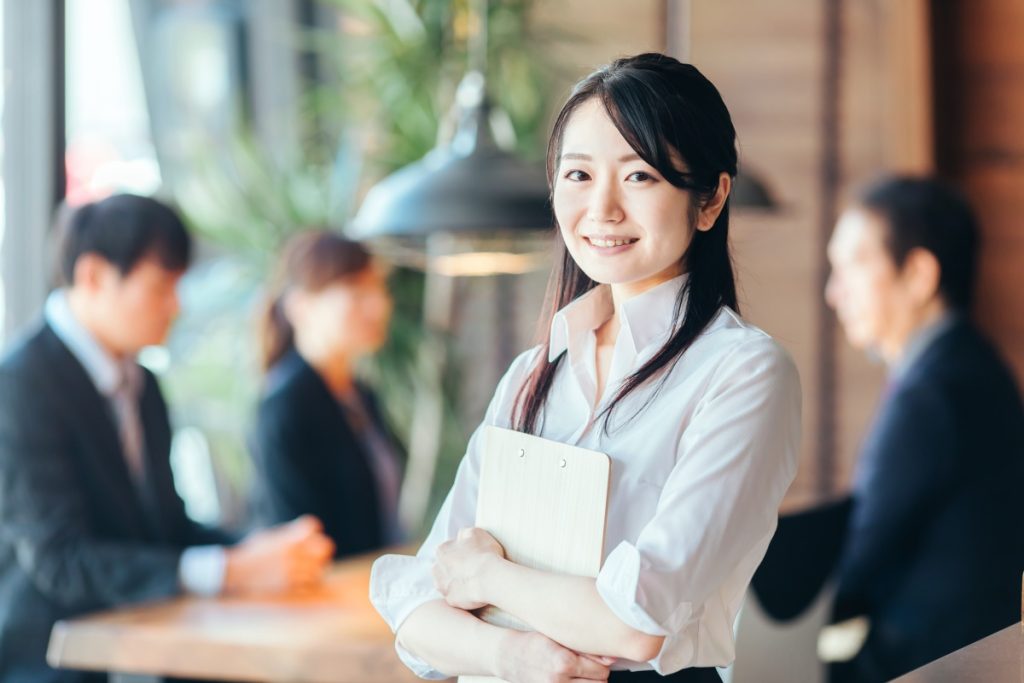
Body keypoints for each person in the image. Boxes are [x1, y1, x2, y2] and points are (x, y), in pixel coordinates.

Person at [369, 53, 802, 682]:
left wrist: (489, 576)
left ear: (708, 200)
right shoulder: (532, 373)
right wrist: (517, 655)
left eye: (640, 177)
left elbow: (635, 623)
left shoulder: (744, 374)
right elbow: (418, 613)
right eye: (578, 174)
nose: (602, 209)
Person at [0, 194, 335, 683]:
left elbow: (166, 528)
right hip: (48, 660)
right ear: (93, 275)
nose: (175, 307)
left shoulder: (142, 383)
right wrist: (230, 569)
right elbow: (61, 560)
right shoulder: (19, 385)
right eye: (162, 287)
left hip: (142, 645)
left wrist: (256, 548)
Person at [824, 176, 1024, 681]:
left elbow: (857, 557)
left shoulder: (933, 392)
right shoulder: (965, 364)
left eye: (853, 265)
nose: (833, 292)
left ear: (918, 274)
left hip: (928, 665)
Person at [251, 231, 405, 558]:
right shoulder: (285, 407)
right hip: (326, 599)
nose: (378, 306)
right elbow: (297, 533)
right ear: (301, 306)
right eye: (356, 290)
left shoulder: (361, 394)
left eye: (378, 288)